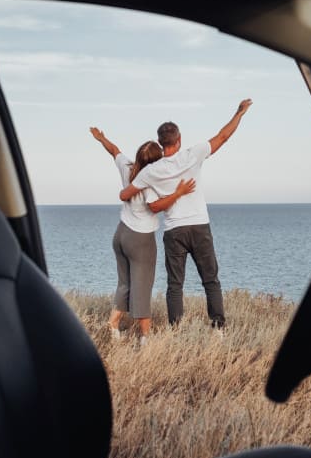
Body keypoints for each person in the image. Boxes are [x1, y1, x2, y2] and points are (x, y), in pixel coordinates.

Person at [119, 99, 253, 330]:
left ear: (160, 143)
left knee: (175, 285)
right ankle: (218, 329)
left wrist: (141, 180)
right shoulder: (194, 154)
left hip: (174, 231)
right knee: (210, 280)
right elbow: (223, 136)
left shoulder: (151, 171)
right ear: (179, 140)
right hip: (199, 226)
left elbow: (125, 195)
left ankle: (176, 330)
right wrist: (239, 113)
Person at [90, 127, 196, 344]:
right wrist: (178, 193)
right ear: (156, 162)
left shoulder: (128, 167)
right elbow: (155, 207)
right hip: (140, 240)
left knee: (125, 284)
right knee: (142, 289)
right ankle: (145, 338)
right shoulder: (150, 183)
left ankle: (112, 325)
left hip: (121, 234)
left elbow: (114, 150)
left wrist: (102, 138)